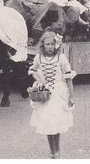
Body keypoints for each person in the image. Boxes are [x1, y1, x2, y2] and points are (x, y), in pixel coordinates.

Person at [28, 31, 76, 159]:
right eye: (47, 44)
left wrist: (71, 96)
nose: (50, 47)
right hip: (45, 94)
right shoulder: (39, 57)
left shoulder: (61, 58)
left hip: (59, 93)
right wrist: (38, 79)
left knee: (56, 122)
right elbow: (33, 70)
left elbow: (68, 78)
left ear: (56, 45)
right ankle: (52, 152)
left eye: (52, 44)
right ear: (42, 44)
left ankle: (57, 151)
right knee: (47, 123)